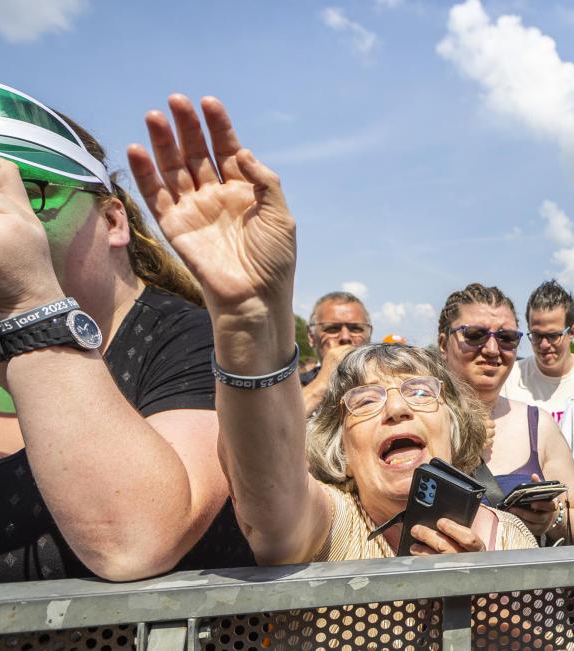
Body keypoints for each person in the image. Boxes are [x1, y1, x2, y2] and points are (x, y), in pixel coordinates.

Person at [126, 94, 535, 562]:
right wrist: (250, 322)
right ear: (340, 448)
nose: (396, 410)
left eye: (421, 393)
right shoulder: (333, 531)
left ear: (454, 424)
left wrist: (488, 610)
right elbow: (271, 493)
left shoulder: (510, 534)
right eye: (365, 401)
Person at [0, 79, 251, 587]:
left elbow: (134, 544)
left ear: (112, 220)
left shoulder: (190, 338)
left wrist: (29, 304)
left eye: (29, 191)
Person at [437, 284, 574, 544]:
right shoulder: (414, 418)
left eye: (507, 338)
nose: (493, 349)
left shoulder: (538, 425)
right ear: (443, 343)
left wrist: (553, 518)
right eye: (475, 335)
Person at [501, 280, 574, 423]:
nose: (544, 344)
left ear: (571, 332)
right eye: (536, 335)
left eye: (553, 336)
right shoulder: (509, 380)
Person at [301, 291, 373, 416]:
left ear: (369, 335)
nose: (345, 337)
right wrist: (322, 383)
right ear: (311, 336)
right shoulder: (290, 387)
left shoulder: (388, 384)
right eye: (332, 329)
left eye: (355, 329)